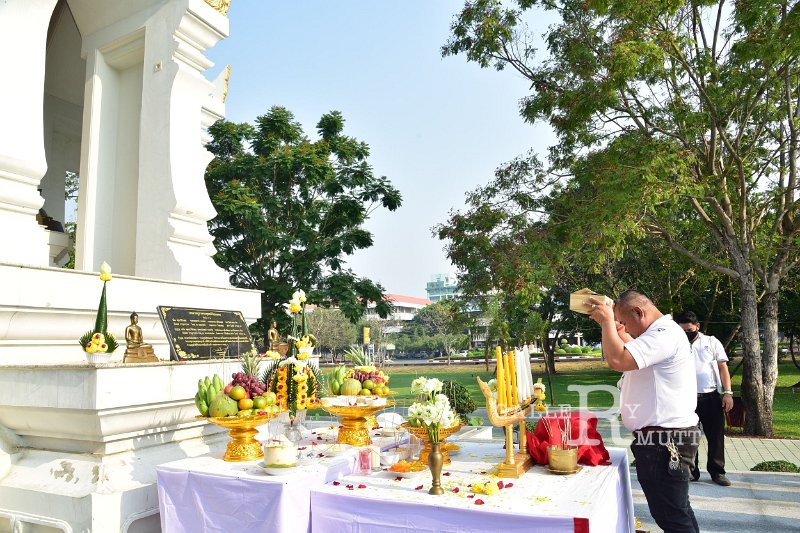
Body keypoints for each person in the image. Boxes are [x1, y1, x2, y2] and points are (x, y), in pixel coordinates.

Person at [589, 290, 700, 533]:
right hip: (662, 438)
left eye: (626, 322)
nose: (625, 328)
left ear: (639, 312)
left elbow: (618, 359)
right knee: (676, 510)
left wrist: (608, 321)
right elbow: (626, 347)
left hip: (665, 440)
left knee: (672, 516)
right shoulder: (660, 334)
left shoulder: (663, 334)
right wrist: (615, 329)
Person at [674, 310, 733, 486]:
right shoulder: (676, 345)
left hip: (710, 396)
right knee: (689, 437)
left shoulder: (711, 342)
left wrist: (728, 393)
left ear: (697, 326)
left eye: (689, 330)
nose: (686, 334)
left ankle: (717, 472)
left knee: (715, 436)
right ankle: (691, 471)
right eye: (682, 331)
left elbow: (723, 368)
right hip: (685, 398)